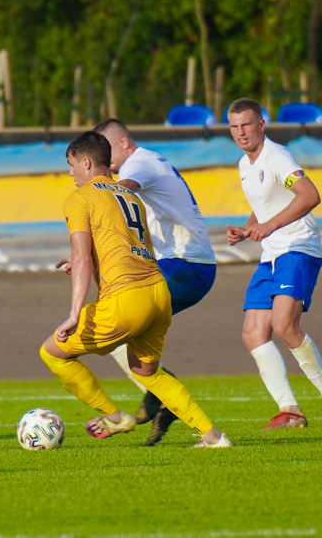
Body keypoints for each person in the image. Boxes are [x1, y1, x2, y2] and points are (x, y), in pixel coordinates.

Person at [40, 131, 231, 449]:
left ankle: (115, 417)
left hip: (126, 299)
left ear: (86, 163)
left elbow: (85, 260)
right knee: (147, 372)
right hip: (158, 294)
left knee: (52, 353)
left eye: (71, 164)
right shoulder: (130, 197)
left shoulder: (80, 198)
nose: (70, 173)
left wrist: (74, 313)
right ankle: (213, 437)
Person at [90, 118, 217, 446]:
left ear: (122, 142)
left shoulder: (140, 163)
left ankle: (157, 395)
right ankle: (160, 396)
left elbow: (120, 194)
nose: (104, 160)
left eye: (106, 150)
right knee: (123, 328)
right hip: (185, 265)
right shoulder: (149, 160)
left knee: (114, 319)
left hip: (185, 264)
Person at [225, 98, 322, 430]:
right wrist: (248, 226)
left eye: (247, 125)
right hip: (272, 252)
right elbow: (265, 206)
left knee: (284, 326)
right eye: (234, 127)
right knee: (252, 333)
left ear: (261, 124)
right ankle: (290, 411)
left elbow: (309, 196)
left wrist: (269, 226)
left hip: (297, 246)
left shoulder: (277, 157)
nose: (241, 132)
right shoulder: (243, 165)